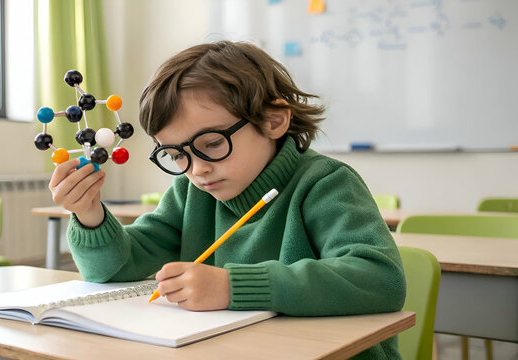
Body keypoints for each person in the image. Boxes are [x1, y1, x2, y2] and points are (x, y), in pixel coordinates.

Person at [49, 41, 405, 358]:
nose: (197, 169)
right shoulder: (192, 193)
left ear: (274, 120)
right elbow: (112, 270)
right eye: (176, 155)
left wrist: (232, 287)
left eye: (213, 144)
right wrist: (89, 213)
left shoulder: (325, 183)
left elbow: (380, 278)